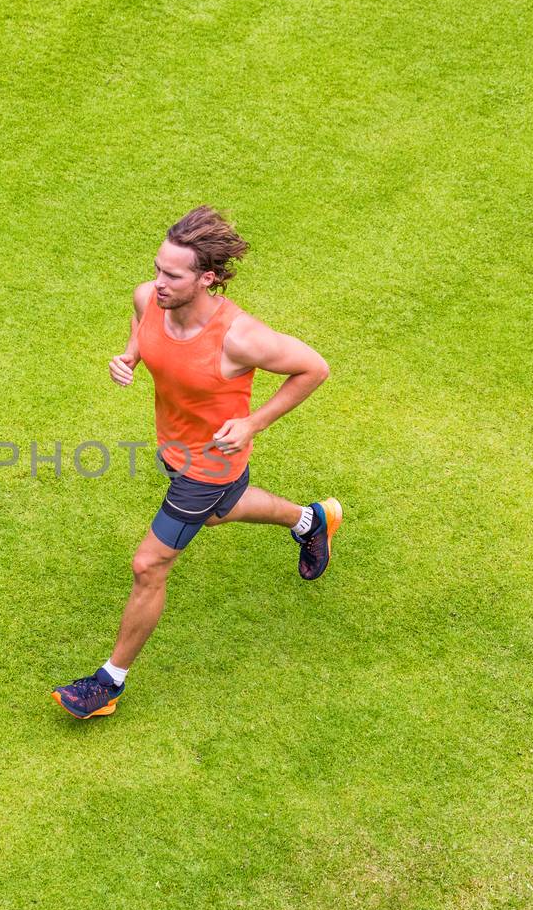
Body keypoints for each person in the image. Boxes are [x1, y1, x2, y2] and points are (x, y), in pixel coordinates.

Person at [52, 205, 342, 720]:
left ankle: (108, 683)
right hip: (173, 446)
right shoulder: (149, 298)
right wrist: (131, 356)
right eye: (158, 268)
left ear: (206, 279)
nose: (157, 282)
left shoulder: (240, 337)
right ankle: (312, 519)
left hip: (209, 462)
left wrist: (253, 423)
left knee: (150, 565)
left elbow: (313, 368)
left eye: (172, 274)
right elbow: (143, 320)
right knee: (218, 512)